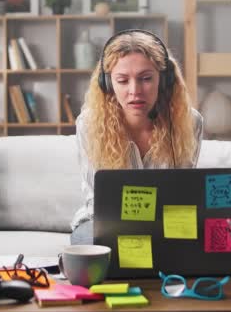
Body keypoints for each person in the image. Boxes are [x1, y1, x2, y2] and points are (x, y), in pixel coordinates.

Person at [70, 29, 203, 245]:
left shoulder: (190, 122)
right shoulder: (89, 124)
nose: (135, 91)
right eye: (122, 81)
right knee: (91, 246)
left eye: (146, 79)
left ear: (165, 80)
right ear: (107, 83)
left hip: (166, 221)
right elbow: (97, 199)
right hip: (108, 221)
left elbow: (182, 194)